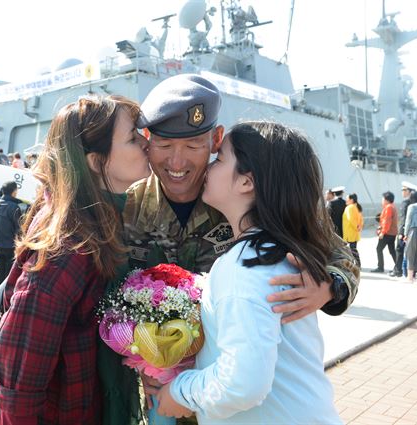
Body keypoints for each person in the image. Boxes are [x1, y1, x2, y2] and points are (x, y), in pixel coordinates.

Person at [124, 74, 360, 329]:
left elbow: (340, 255)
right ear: (147, 137)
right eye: (165, 145)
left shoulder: (242, 198)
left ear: (215, 140)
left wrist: (330, 288)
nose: (177, 163)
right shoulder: (126, 207)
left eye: (193, 146)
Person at [156, 122, 342, 423]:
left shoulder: (244, 266)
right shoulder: (276, 251)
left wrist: (179, 391)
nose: (208, 168)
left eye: (220, 160)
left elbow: (243, 383)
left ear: (246, 182)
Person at [0, 95, 151, 425]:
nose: (145, 144)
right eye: (133, 137)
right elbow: (18, 379)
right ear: (95, 161)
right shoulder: (70, 245)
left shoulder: (104, 217)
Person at [0, 181, 22, 287]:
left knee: (1, 273)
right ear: (14, 192)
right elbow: (18, 229)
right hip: (11, 246)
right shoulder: (14, 207)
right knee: (9, 276)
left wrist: (3, 188)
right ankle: (4, 301)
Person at [391, 181, 416, 277]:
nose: (402, 192)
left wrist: (401, 232)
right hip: (413, 230)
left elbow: (403, 219)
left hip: (405, 231)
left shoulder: (405, 202)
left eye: (404, 190)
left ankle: (398, 270)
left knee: (399, 250)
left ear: (409, 191)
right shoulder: (415, 202)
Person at [372, 191, 398, 273]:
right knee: (392, 251)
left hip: (387, 233)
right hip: (392, 233)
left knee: (379, 249)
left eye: (383, 199)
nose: (382, 200)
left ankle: (380, 267)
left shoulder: (388, 208)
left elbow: (387, 221)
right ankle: (398, 267)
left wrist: (383, 232)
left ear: (386, 200)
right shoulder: (393, 207)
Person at [343, 193, 363, 267]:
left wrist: (356, 227)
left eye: (347, 198)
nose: (346, 200)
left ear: (351, 200)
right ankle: (357, 264)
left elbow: (351, 219)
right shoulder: (356, 207)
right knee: (353, 249)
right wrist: (359, 227)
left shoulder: (349, 207)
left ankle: (357, 264)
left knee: (352, 250)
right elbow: (361, 219)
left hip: (350, 232)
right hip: (354, 232)